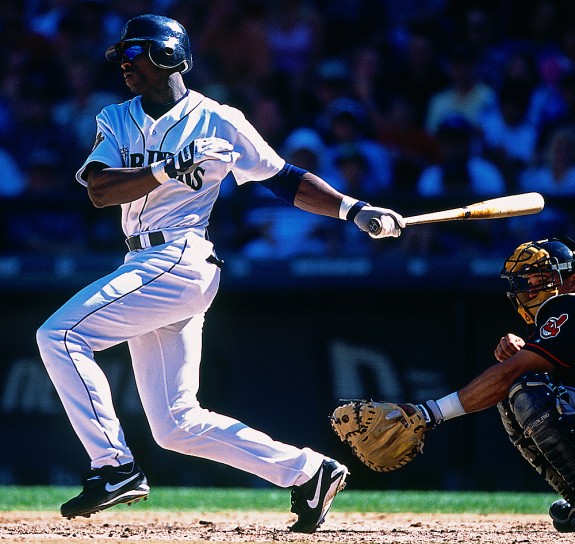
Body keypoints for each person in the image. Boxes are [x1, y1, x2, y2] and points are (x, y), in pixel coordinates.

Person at [35, 14, 404, 533]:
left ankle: (113, 466)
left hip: (180, 257)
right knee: (177, 425)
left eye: (134, 53)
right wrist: (168, 169)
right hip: (142, 261)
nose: (123, 64)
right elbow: (99, 190)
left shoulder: (219, 119)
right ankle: (308, 471)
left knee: (59, 334)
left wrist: (354, 209)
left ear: (167, 53)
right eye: (121, 56)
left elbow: (284, 179)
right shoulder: (115, 118)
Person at [393, 236, 575, 533]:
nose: (529, 290)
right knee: (516, 388)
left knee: (523, 386)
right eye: (525, 281)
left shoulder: (570, 305)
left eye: (539, 279)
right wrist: (526, 352)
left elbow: (508, 375)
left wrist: (430, 413)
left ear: (571, 281)